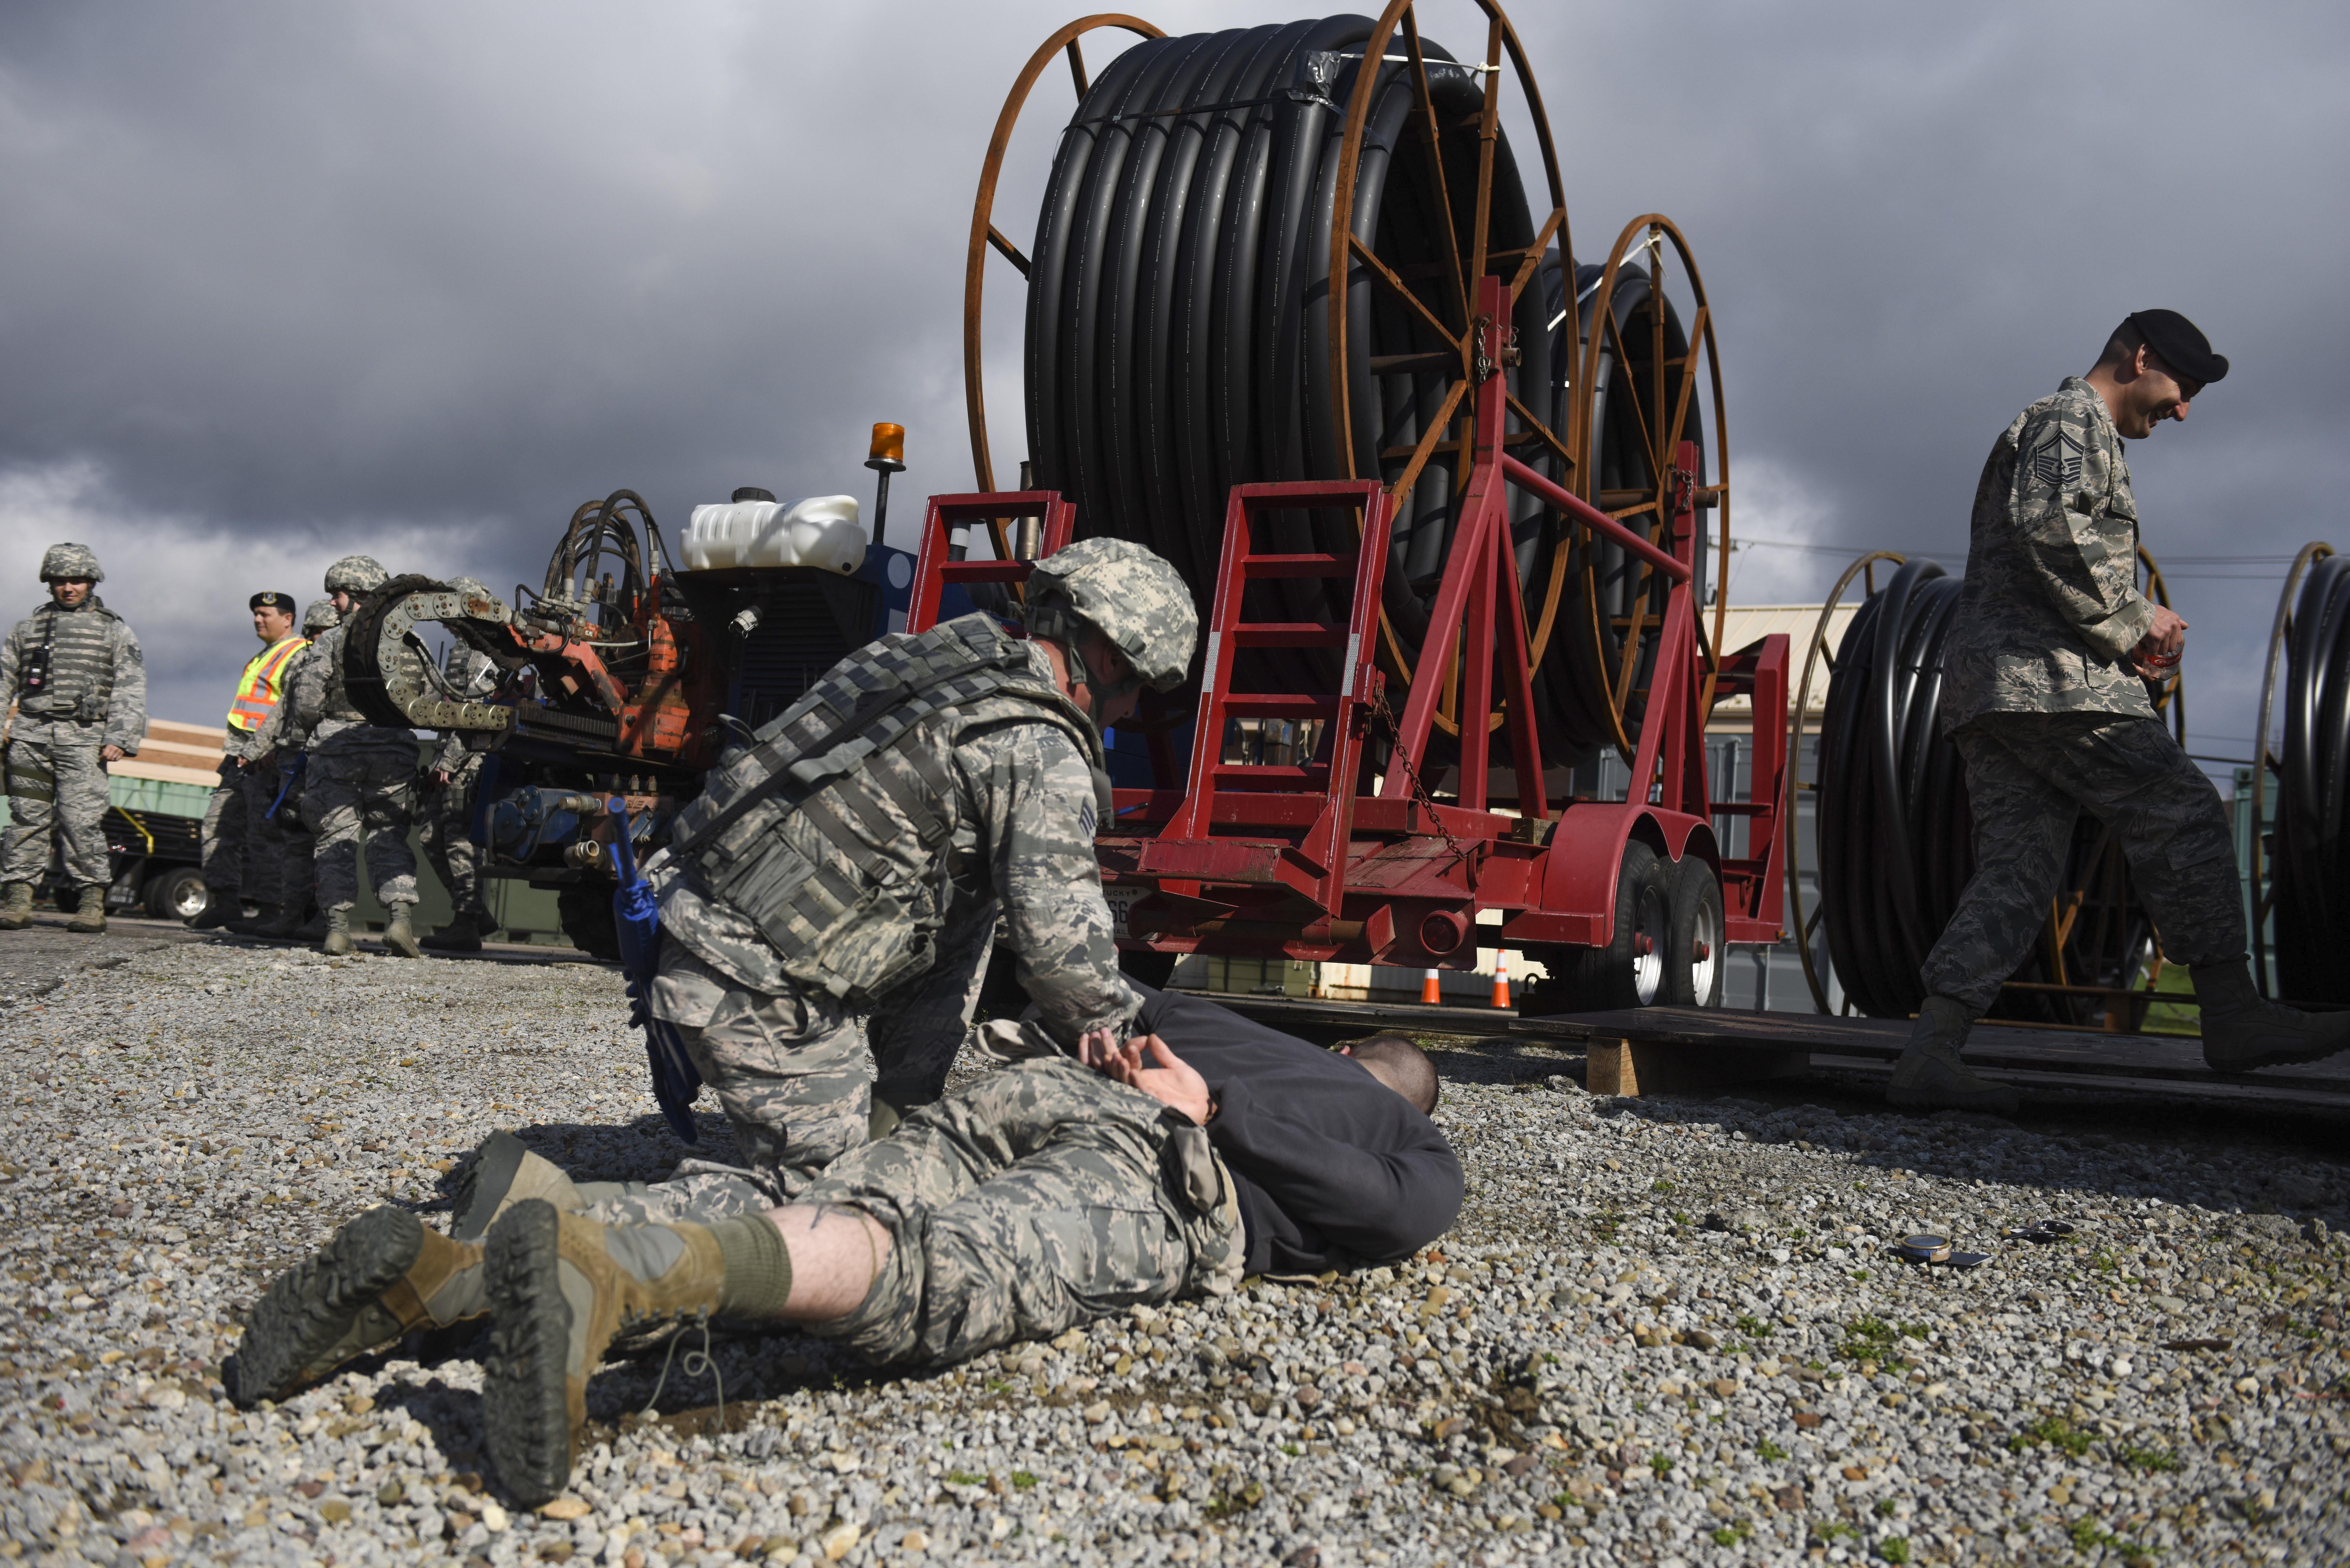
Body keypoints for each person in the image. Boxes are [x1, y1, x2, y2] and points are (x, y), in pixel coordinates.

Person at [229, 985, 1462, 1507]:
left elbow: (1102, 1008)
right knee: (928, 1275)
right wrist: (1221, 1111)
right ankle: (605, 1276)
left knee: (834, 1205)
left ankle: (444, 1278)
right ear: (1403, 1096)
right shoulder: (1413, 1136)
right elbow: (1399, 1212)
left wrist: (1133, 1056)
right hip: (1171, 1169)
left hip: (1045, 1092)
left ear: (1344, 1049)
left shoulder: (1225, 1016)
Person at [634, 537, 1198, 1207]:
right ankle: (586, 1235)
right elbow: (1065, 964)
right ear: (1110, 659)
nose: (1130, 709)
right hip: (753, 983)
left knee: (970, 896)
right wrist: (1141, 1058)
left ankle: (894, 1113)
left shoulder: (912, 660)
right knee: (834, 1216)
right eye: (1139, 688)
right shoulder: (1038, 745)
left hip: (684, 915)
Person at [1892, 309, 2350, 1114]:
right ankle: (2232, 1013)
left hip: (2001, 688)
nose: (2184, 410)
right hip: (2048, 681)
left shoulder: (2072, 429)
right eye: (2182, 387)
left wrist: (2119, 636)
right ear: (2140, 358)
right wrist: (2138, 617)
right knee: (2181, 808)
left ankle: (1931, 1048)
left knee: (2018, 871)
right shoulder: (2068, 419)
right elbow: (2050, 523)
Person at [280, 556, 425, 958]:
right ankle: (400, 921)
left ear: (360, 595)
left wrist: (313, 734)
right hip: (394, 748)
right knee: (389, 834)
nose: (334, 603)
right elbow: (429, 700)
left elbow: (307, 701)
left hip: (338, 748)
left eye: (339, 595)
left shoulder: (331, 640)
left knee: (336, 838)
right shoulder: (411, 640)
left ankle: (337, 931)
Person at [0, 544, 145, 934]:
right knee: (26, 819)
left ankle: (91, 902)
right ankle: (18, 900)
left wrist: (120, 736)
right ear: (49, 583)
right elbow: (4, 681)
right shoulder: (26, 629)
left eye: (77, 580)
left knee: (81, 822)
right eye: (61, 580)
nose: (69, 588)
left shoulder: (114, 630)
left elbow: (130, 687)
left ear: (91, 582)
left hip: (83, 740)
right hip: (30, 737)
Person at [190, 592, 308, 930]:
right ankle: (225, 902)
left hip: (266, 761)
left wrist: (270, 750)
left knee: (264, 835)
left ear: (288, 619)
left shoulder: (298, 653)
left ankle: (272, 910)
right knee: (218, 826)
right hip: (240, 757)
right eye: (255, 614)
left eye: (265, 614)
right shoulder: (263, 655)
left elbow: (291, 710)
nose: (257, 620)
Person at [242, 598, 340, 939]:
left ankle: (327, 919)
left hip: (328, 759)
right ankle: (292, 915)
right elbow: (281, 709)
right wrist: (254, 750)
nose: (318, 638)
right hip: (294, 762)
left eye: (325, 631)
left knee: (328, 840)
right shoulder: (301, 663)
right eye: (313, 632)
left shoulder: (345, 661)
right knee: (295, 841)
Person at [418, 580, 501, 953]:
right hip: (448, 755)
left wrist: (450, 760)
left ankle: (466, 923)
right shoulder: (462, 647)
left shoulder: (485, 649)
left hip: (468, 757)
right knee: (429, 836)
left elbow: (477, 712)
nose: (442, 617)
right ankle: (475, 914)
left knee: (459, 841)